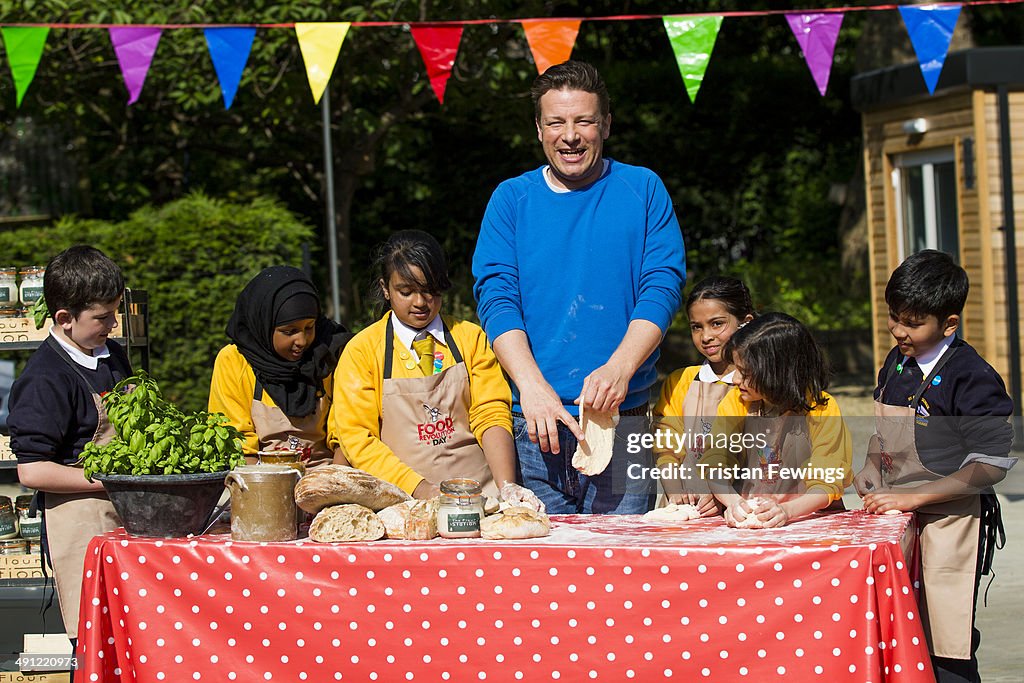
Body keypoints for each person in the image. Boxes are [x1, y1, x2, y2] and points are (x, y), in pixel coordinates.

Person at [472, 60, 686, 514]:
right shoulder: (511, 199)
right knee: (540, 576)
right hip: (535, 425)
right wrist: (530, 387)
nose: (570, 135)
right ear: (539, 129)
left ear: (605, 124)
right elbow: (496, 297)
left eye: (584, 121)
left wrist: (621, 368)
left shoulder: (643, 188)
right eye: (556, 122)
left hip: (623, 423)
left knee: (624, 573)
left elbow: (662, 286)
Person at [854, 250, 1015, 682]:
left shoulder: (971, 375)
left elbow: (992, 463)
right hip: (898, 518)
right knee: (900, 632)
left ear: (948, 324)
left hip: (952, 522)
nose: (899, 331)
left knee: (947, 642)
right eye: (894, 317)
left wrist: (914, 495)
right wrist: (872, 465)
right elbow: (884, 433)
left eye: (913, 322)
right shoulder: (897, 361)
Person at [332, 230, 542, 510]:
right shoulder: (362, 351)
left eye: (430, 290)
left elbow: (491, 413)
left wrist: (507, 487)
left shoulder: (470, 338)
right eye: (406, 292)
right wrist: (421, 489)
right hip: (400, 505)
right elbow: (358, 438)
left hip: (481, 501)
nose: (420, 302)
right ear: (385, 289)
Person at [9, 245, 133, 649]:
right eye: (102, 317)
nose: (113, 324)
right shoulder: (44, 379)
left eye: (114, 312)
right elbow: (32, 471)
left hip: (123, 514)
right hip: (80, 526)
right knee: (99, 641)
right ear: (64, 319)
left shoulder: (111, 355)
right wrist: (108, 479)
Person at [697, 312, 852, 527]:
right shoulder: (736, 401)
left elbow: (827, 482)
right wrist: (734, 503)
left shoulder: (821, 408)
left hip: (810, 521)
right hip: (750, 519)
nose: (734, 379)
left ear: (778, 373)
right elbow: (715, 462)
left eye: (745, 372)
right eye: (735, 369)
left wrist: (787, 511)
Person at [208, 266, 352, 469]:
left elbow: (347, 432)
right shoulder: (234, 361)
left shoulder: (329, 355)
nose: (301, 340)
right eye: (289, 331)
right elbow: (234, 440)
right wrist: (264, 491)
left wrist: (334, 482)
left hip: (325, 473)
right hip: (258, 476)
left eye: (309, 328)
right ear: (264, 326)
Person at [653, 276, 754, 514]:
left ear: (746, 323)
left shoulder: (761, 386)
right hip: (685, 509)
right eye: (696, 327)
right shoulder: (680, 381)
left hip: (745, 508)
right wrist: (674, 490)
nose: (706, 336)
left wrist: (722, 495)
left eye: (717, 324)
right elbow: (665, 447)